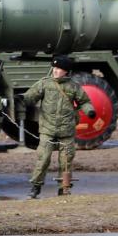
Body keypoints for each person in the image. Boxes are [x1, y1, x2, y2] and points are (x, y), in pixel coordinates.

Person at [21, 55, 95, 198]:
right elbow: (31, 95)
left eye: (59, 69)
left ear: (66, 71)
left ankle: (64, 188)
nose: (55, 71)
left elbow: (84, 101)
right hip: (47, 129)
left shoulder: (73, 87)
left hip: (66, 131)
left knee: (66, 161)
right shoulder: (44, 84)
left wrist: (89, 111)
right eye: (54, 68)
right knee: (43, 159)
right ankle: (35, 187)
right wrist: (23, 98)